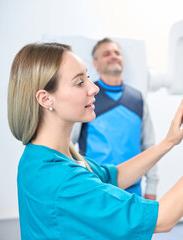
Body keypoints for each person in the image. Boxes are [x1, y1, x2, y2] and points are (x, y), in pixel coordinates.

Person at [7, 42, 183, 239]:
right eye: (80, 82)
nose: (93, 88)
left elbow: (116, 176)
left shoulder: (46, 155)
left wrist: (168, 142)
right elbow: (164, 218)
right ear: (45, 99)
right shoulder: (62, 179)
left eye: (88, 78)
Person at [71, 37, 157, 199]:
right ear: (95, 63)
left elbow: (149, 145)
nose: (113, 56)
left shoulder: (137, 98)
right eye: (106, 53)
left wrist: (152, 185)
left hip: (133, 192)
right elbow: (67, 143)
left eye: (117, 53)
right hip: (96, 190)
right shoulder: (88, 97)